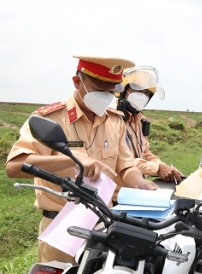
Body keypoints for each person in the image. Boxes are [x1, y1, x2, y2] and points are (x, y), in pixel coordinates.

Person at [5, 55, 159, 263]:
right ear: (77, 82)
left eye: (111, 91)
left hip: (105, 224)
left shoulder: (115, 120)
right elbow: (14, 166)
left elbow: (125, 166)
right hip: (63, 227)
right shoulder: (49, 118)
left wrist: (138, 182)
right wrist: (72, 160)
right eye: (99, 89)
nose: (106, 96)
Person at [114, 65, 183, 201]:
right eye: (138, 90)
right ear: (123, 89)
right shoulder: (111, 118)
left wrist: (164, 166)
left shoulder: (140, 120)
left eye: (147, 93)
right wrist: (157, 168)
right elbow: (118, 159)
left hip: (137, 191)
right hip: (116, 195)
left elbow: (145, 153)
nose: (142, 96)